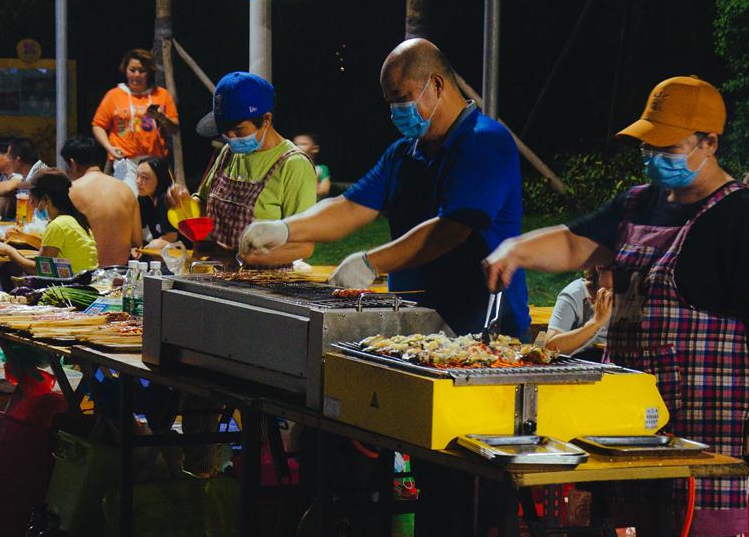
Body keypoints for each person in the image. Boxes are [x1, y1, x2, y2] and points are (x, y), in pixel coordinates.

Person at [482, 76, 749, 537]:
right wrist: (516, 249)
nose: (654, 157)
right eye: (649, 146)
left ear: (709, 143)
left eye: (668, 147)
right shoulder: (636, 203)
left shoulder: (743, 215)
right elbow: (574, 243)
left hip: (709, 432)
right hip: (636, 427)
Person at [240, 39, 529, 337]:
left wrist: (370, 263)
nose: (395, 112)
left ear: (437, 85)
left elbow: (451, 229)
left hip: (484, 331)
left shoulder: (484, 143)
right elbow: (350, 208)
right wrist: (284, 229)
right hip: (416, 328)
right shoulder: (402, 154)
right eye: (391, 102)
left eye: (402, 98)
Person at [187, 71, 316, 268]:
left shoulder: (293, 164)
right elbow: (202, 202)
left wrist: (246, 259)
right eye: (224, 130)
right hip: (217, 273)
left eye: (238, 129)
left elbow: (303, 246)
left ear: (266, 119)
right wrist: (182, 206)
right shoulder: (228, 153)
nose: (230, 136)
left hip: (265, 282)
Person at [0, 170, 98, 274]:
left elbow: (40, 270)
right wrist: (22, 239)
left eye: (33, 197)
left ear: (45, 199)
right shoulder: (76, 220)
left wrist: (10, 252)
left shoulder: (57, 225)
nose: (31, 202)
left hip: (68, 288)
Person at [61, 136, 142, 267]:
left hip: (84, 277)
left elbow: (57, 238)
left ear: (72, 164)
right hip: (119, 277)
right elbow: (137, 242)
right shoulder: (127, 192)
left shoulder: (70, 191)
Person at [91, 48, 179, 163]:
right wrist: (109, 148)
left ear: (149, 72)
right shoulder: (114, 95)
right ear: (125, 70)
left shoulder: (162, 94)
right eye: (132, 70)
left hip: (154, 161)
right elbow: (98, 125)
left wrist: (161, 117)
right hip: (124, 160)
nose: (136, 75)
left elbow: (174, 129)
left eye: (142, 71)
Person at [545, 266, 612, 359]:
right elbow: (550, 348)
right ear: (599, 267)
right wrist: (596, 322)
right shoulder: (574, 294)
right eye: (617, 273)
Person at [136, 157, 179, 251]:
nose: (138, 182)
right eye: (137, 176)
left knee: (155, 245)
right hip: (160, 244)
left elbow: (172, 236)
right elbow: (137, 227)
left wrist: (147, 248)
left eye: (145, 178)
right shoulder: (143, 198)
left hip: (178, 248)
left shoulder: (167, 198)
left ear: (160, 179)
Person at [0, 137, 48, 202]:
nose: (8, 161)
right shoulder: (31, 173)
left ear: (18, 160)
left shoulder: (39, 176)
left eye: (9, 158)